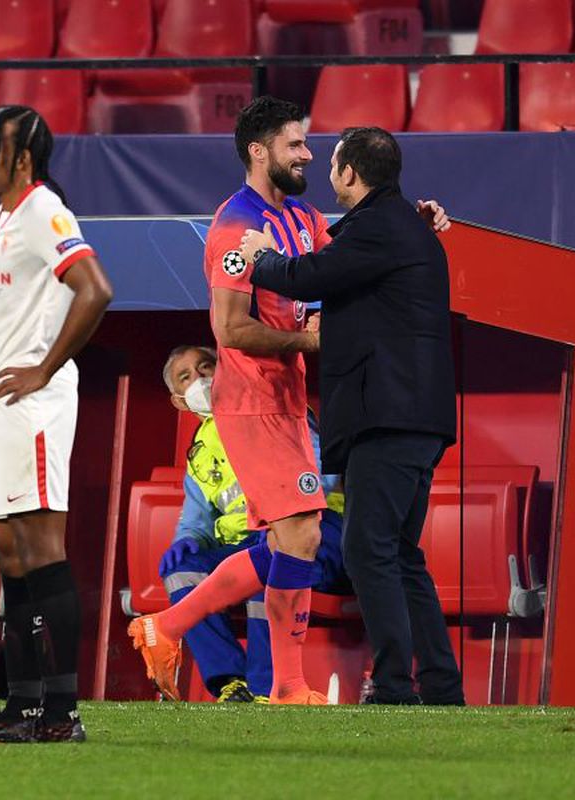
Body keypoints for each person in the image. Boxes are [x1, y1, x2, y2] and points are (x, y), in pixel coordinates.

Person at [129, 97, 446, 705]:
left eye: (306, 144)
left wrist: (413, 221)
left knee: (289, 541)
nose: (307, 154)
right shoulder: (233, 226)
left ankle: (171, 631)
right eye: (295, 144)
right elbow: (229, 329)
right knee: (300, 534)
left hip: (289, 396)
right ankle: (282, 682)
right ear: (258, 151)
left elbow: (353, 255)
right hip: (249, 399)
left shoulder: (301, 218)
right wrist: (310, 340)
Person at [241, 126, 465, 706]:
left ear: (349, 174)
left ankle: (394, 688)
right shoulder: (396, 225)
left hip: (389, 417)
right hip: (414, 415)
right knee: (400, 554)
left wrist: (259, 257)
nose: (322, 169)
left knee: (369, 551)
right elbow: (334, 256)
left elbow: (308, 275)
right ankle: (440, 685)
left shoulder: (380, 228)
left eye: (332, 163)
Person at [0, 106, 113, 744]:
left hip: (31, 405)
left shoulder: (45, 210)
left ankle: (63, 713)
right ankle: (21, 706)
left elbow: (95, 288)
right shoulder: (1, 217)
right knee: (9, 555)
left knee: (43, 553)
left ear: (21, 159)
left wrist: (44, 369)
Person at [156, 344, 350, 703]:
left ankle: (266, 686)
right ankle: (229, 683)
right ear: (179, 401)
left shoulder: (264, 405)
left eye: (206, 367)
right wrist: (187, 540)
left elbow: (317, 477)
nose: (201, 379)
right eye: (186, 377)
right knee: (182, 569)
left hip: (317, 531)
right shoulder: (201, 449)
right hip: (248, 543)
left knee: (274, 559)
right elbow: (196, 519)